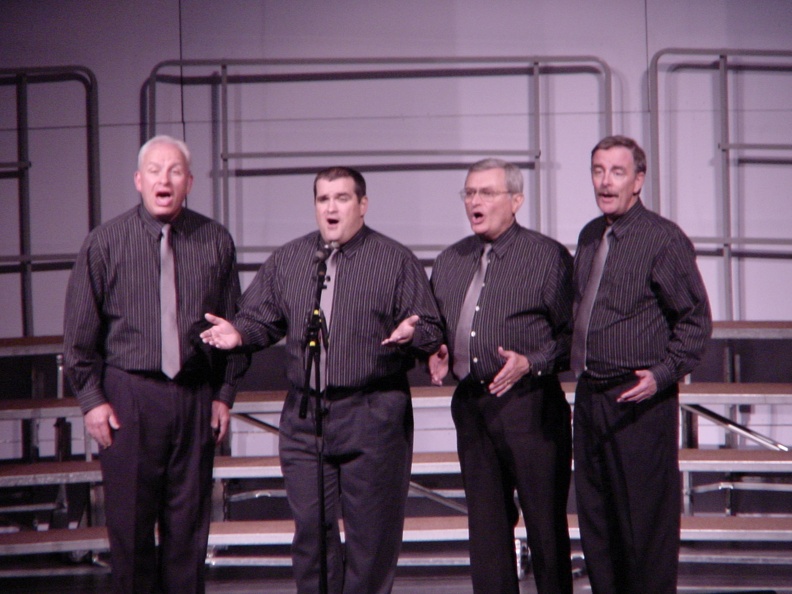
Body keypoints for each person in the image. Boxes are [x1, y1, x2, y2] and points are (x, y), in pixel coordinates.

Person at [200, 166, 443, 594]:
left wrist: (415, 334)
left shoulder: (394, 260)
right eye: (323, 198)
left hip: (372, 411)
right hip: (305, 415)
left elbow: (430, 327)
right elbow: (258, 318)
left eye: (342, 198)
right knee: (312, 534)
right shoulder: (291, 259)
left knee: (371, 539)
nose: (331, 207)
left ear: (362, 205)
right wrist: (239, 334)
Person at [63, 135, 248, 593]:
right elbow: (80, 333)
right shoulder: (106, 242)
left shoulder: (215, 240)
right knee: (130, 528)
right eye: (155, 170)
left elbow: (233, 325)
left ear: (189, 183)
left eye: (175, 171)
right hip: (129, 397)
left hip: (194, 395)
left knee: (189, 528)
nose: (164, 179)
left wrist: (224, 394)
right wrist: (91, 401)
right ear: (138, 180)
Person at [571, 135, 712, 593]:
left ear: (638, 180)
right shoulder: (590, 235)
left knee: (644, 527)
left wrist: (661, 375)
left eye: (617, 172)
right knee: (598, 522)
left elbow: (695, 321)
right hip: (591, 396)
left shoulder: (661, 238)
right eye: (598, 171)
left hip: (638, 399)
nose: (605, 182)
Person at [428, 159, 574, 593]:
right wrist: (433, 349)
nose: (475, 201)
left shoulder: (547, 257)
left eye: (487, 193)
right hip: (472, 407)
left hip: (530, 405)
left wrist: (531, 361)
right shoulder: (450, 259)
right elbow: (436, 327)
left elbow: (572, 336)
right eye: (470, 193)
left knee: (545, 527)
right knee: (487, 531)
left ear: (516, 201)